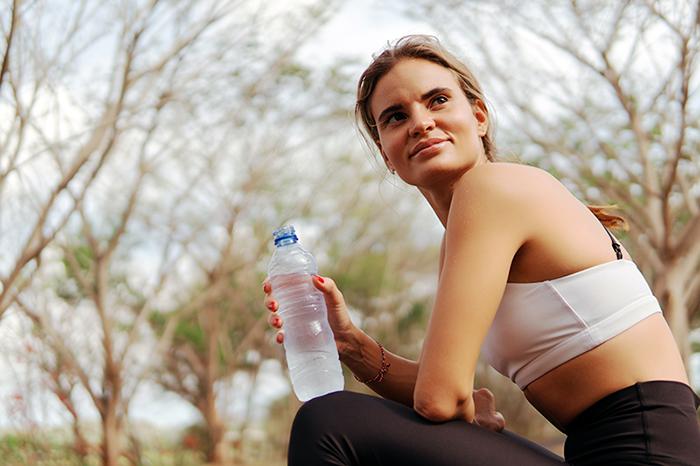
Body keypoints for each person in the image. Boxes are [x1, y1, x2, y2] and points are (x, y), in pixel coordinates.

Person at [263, 35, 700, 465]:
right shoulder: (463, 231)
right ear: (386, 153)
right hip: (601, 451)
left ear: (479, 116)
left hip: (646, 452)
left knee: (329, 422)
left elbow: (438, 400)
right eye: (396, 117)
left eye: (437, 101)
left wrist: (460, 405)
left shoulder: (490, 190)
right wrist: (351, 343)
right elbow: (440, 392)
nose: (420, 122)